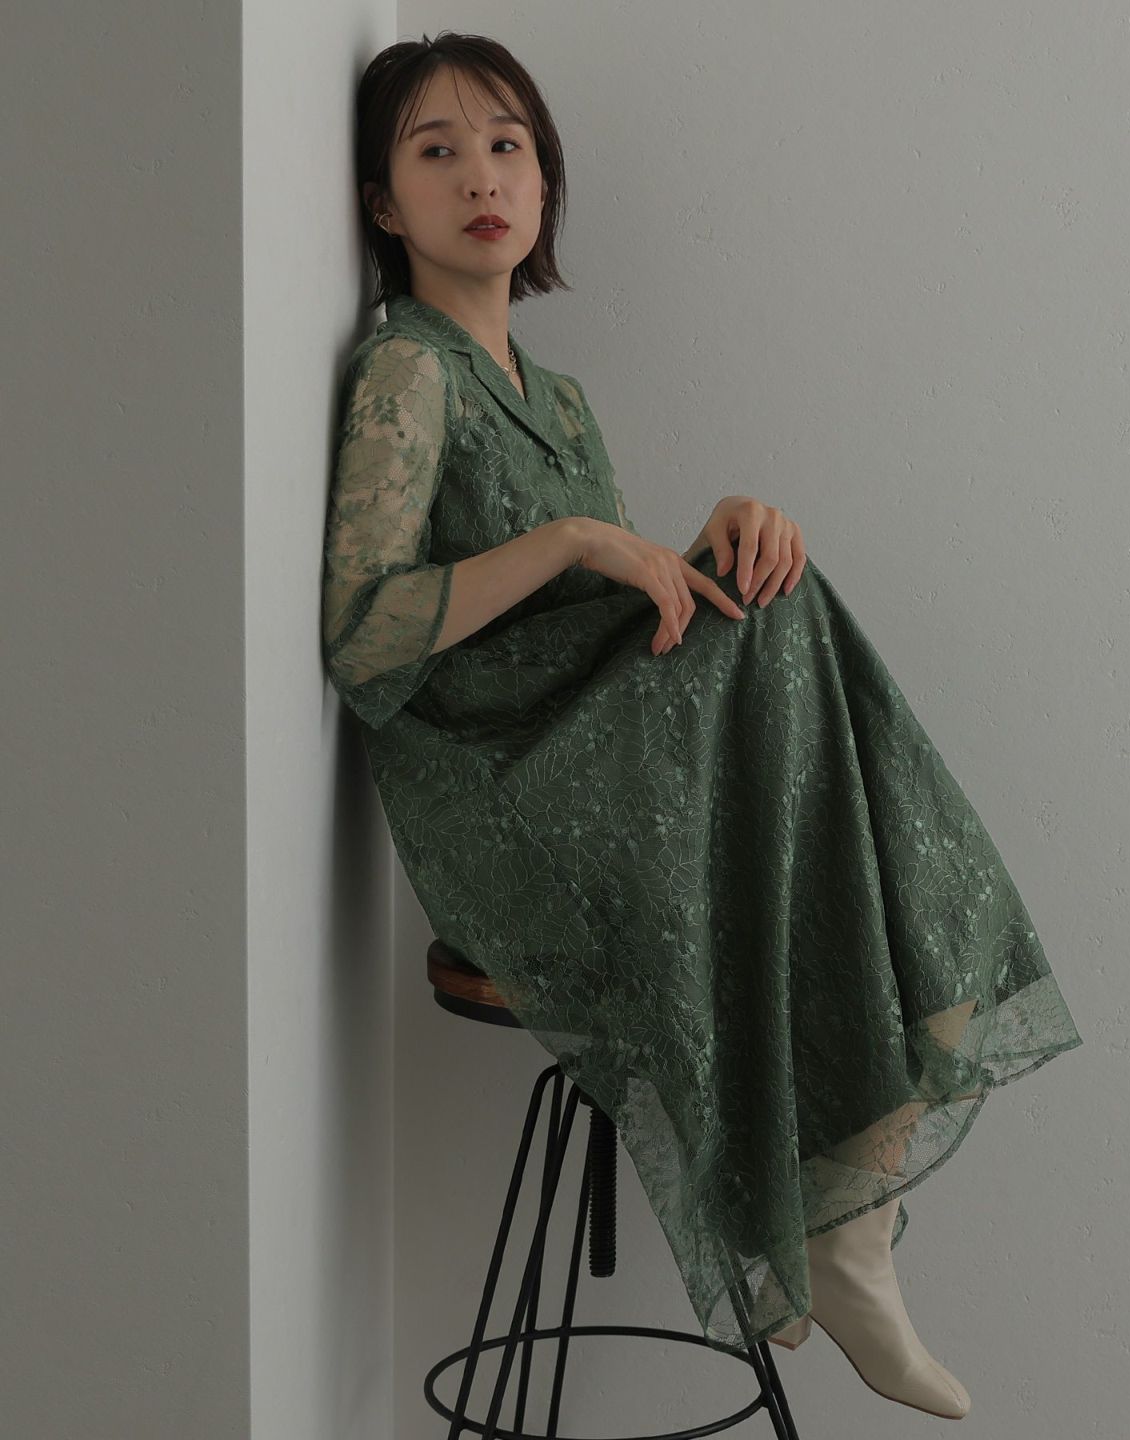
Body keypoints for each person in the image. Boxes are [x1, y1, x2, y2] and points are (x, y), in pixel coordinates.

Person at [322, 31, 1083, 1415]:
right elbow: (363, 630)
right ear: (384, 201)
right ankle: (852, 1200)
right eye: (437, 152)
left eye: (507, 147)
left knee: (771, 581)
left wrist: (710, 538)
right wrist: (575, 539)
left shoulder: (555, 398)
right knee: (780, 624)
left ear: (544, 181)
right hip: (496, 791)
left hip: (581, 745)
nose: (481, 177)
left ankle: (849, 1203)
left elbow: (613, 634)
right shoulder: (407, 371)